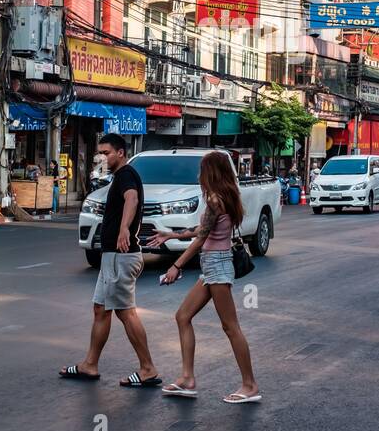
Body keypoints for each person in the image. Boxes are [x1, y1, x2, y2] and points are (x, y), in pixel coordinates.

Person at [154, 151, 261, 404]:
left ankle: (250, 385)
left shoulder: (215, 200)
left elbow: (201, 237)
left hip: (218, 266)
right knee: (183, 317)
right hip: (212, 267)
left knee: (230, 327)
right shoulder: (224, 197)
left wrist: (176, 266)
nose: (199, 175)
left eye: (202, 170)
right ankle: (187, 379)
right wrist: (172, 235)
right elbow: (201, 230)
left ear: (210, 172)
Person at [58, 133, 159, 388]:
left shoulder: (126, 174)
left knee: (125, 312)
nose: (102, 157)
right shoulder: (120, 176)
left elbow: (132, 199)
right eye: (100, 153)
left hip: (121, 256)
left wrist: (125, 228)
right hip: (111, 256)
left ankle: (148, 369)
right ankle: (90, 364)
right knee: (100, 310)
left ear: (121, 153)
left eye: (106, 153)